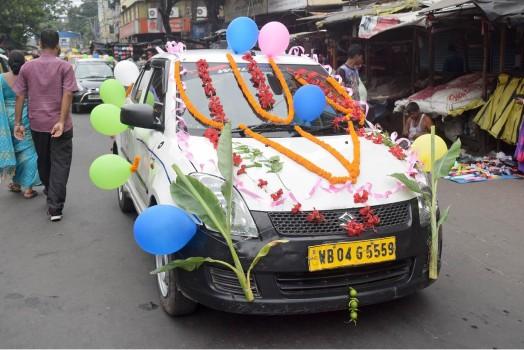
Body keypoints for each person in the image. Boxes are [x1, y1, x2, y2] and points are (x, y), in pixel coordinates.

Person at [13, 29, 78, 222]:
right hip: (61, 126)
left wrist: (18, 123)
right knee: (60, 163)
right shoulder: (65, 67)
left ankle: (51, 191)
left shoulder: (27, 68)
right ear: (58, 45)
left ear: (40, 44)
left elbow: (20, 96)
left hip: (37, 123)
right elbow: (68, 94)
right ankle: (55, 207)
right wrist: (60, 120)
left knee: (44, 159)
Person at [0, 50, 39, 198]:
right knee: (28, 152)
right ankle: (28, 188)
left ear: (8, 63)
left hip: (5, 119)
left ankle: (15, 183)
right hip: (24, 116)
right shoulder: (28, 78)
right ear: (24, 63)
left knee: (13, 150)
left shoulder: (1, 78)